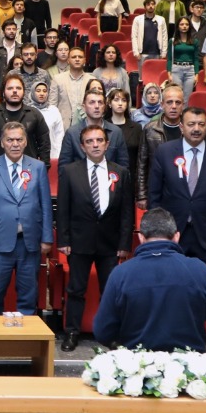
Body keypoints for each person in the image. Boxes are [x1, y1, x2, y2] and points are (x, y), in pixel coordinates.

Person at [93, 207, 206, 351]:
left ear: (141, 237)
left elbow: (102, 331)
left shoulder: (121, 273)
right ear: (176, 236)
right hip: (189, 368)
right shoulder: (198, 269)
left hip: (137, 368)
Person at [56, 124, 134, 351]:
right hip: (79, 242)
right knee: (76, 290)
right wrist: (64, 240)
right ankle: (71, 332)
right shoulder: (70, 171)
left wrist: (124, 243)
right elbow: (63, 209)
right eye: (89, 141)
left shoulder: (120, 172)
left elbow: (127, 212)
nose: (95, 144)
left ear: (107, 144)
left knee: (110, 291)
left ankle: (109, 334)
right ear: (82, 146)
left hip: (110, 244)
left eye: (99, 140)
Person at [0, 123, 52, 317]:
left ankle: (26, 341)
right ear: (2, 143)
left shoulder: (38, 167)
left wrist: (46, 238)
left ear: (25, 142)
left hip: (30, 242)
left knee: (28, 294)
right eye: (10, 140)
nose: (15, 144)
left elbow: (45, 205)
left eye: (19, 140)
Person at [147, 105, 206, 269]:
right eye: (191, 124)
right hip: (171, 234)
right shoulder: (164, 152)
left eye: (201, 124)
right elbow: (154, 196)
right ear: (181, 127)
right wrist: (158, 232)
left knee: (202, 287)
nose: (196, 129)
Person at [0, 73, 51, 167]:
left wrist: (43, 167)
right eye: (10, 88)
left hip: (28, 172)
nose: (14, 91)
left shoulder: (34, 114)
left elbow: (45, 143)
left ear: (24, 92)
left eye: (18, 88)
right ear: (3, 92)